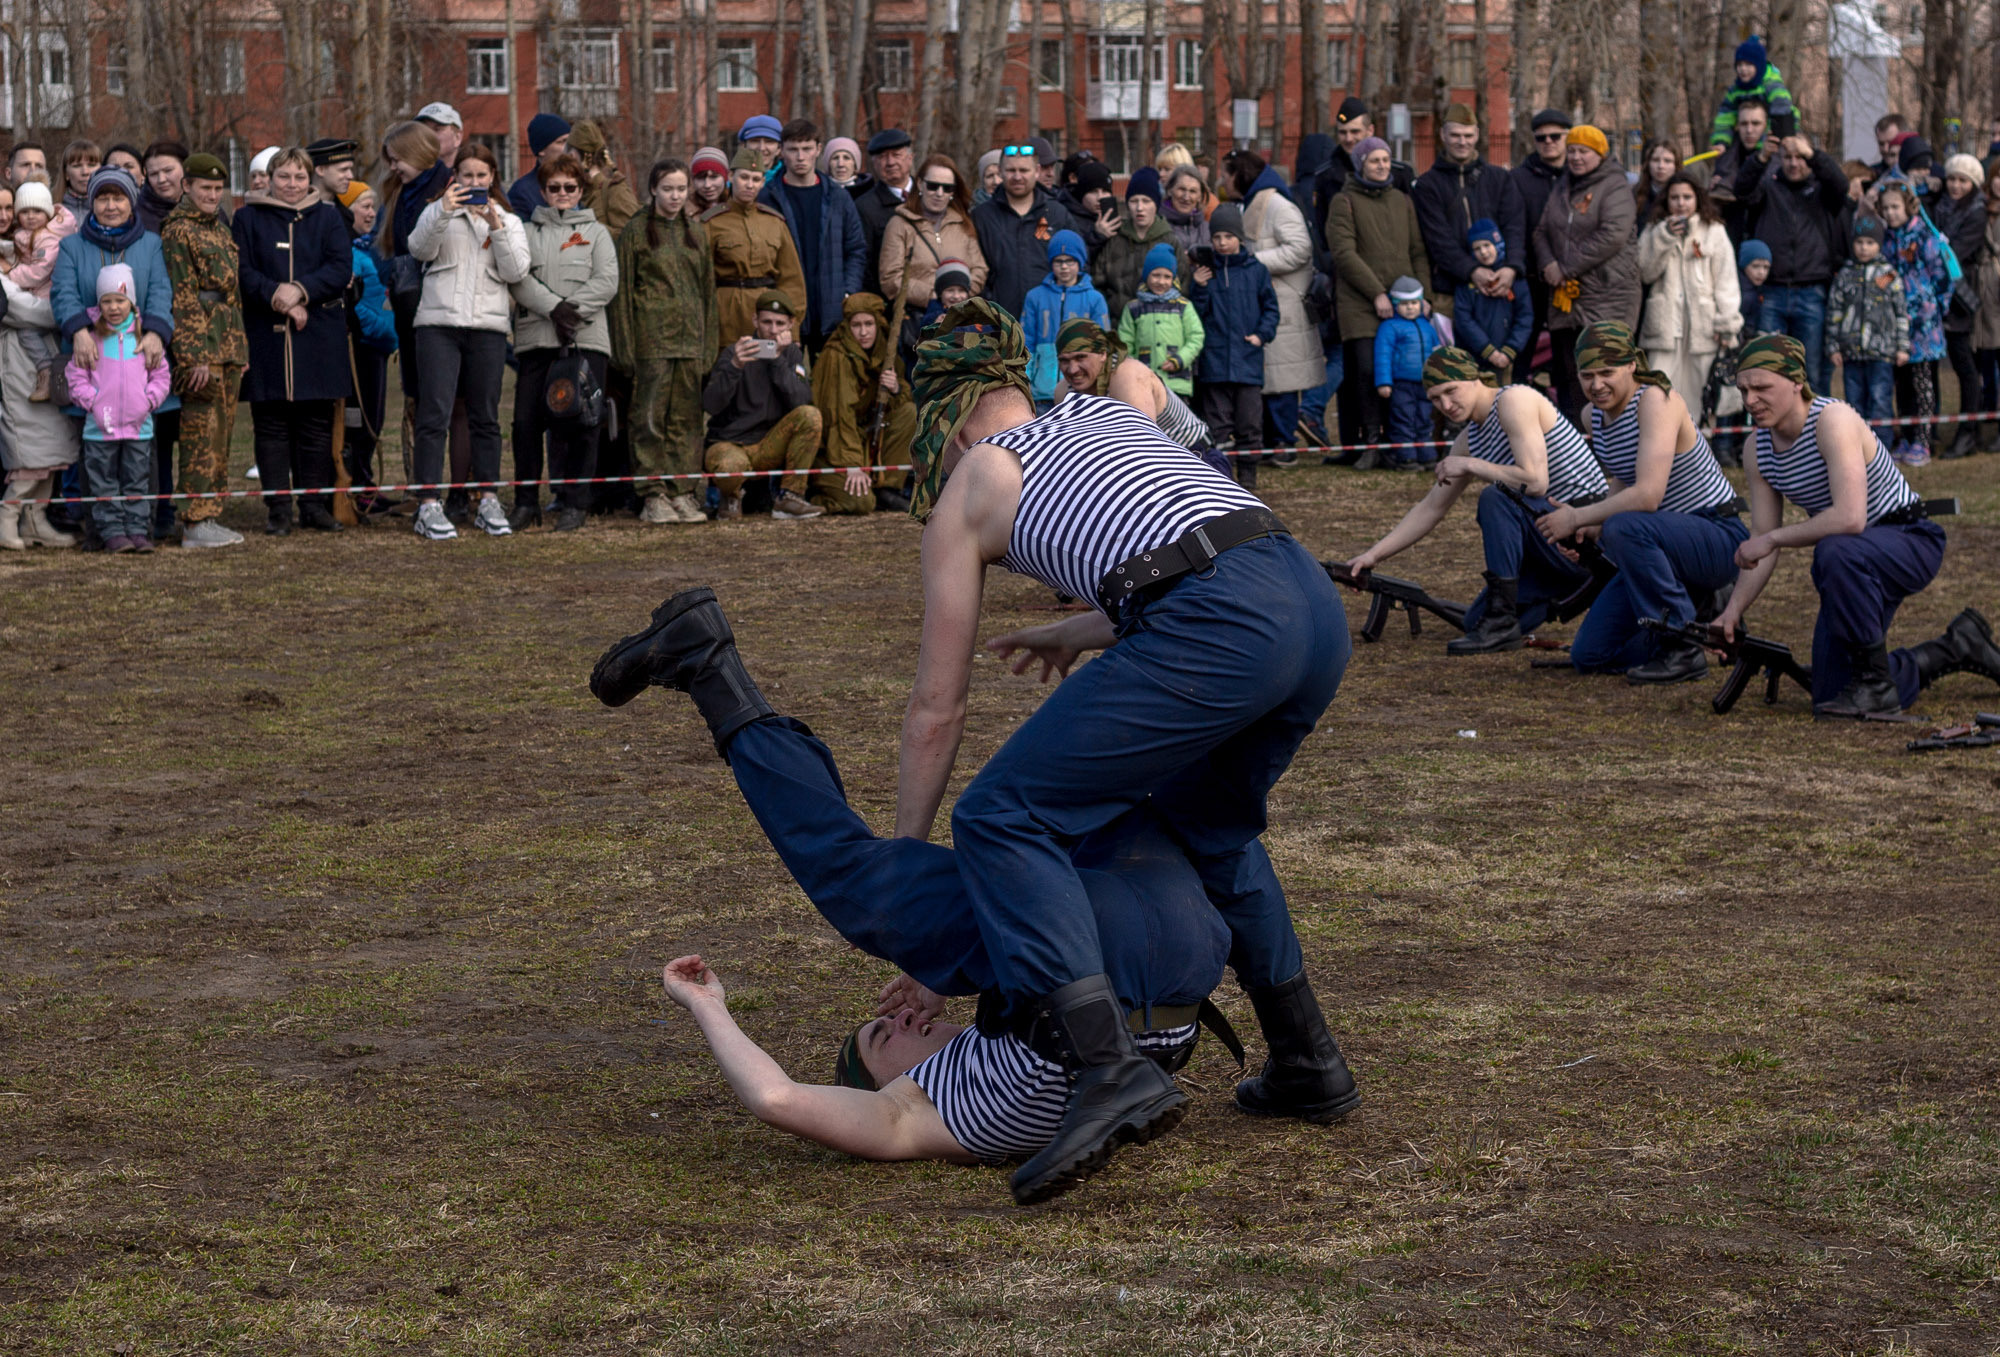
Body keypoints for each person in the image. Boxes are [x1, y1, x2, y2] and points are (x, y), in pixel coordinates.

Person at [890, 300, 1358, 1204]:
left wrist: (907, 879)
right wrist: (1087, 626)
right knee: (1206, 824)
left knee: (1000, 814)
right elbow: (1185, 533)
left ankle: (1108, 1068)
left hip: (1214, 620)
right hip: (1304, 595)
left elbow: (936, 708)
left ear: (942, 427)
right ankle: (1307, 1057)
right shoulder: (1106, 407)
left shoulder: (973, 484)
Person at [590, 592, 1238, 1173]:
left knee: (1107, 800)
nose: (894, 1017)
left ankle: (1181, 611)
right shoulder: (918, 1115)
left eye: (880, 1022)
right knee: (856, 881)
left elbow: (1029, 954)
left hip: (1165, 943)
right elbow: (775, 1096)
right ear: (884, 1083)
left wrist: (935, 971)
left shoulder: (1002, 1022)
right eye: (881, 1037)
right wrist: (708, 1005)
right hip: (1164, 946)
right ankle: (1189, 612)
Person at [1721, 332, 2000, 717]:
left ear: (1796, 381)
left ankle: (1876, 683)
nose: (1750, 400)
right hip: (1856, 556)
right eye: (1744, 389)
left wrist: (1771, 539)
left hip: (1909, 538)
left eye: (1762, 387)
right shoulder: (1757, 448)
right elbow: (1760, 545)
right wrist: (1732, 612)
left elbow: (1850, 518)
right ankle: (1953, 649)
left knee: (1834, 549)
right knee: (1830, 696)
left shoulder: (1832, 419)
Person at [1343, 348, 1611, 653]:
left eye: (1450, 391)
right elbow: (1431, 508)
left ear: (1473, 379)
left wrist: (1471, 465)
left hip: (1587, 536)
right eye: (1434, 398)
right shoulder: (1469, 439)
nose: (1445, 404)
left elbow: (1535, 481)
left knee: (1496, 498)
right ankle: (1539, 603)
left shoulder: (1514, 400)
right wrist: (1372, 556)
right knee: (1473, 622)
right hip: (1549, 540)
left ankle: (1514, 613)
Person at [1552, 322, 1748, 680]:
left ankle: (1681, 647)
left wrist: (1578, 517)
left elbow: (1647, 496)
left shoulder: (1657, 400)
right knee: (1590, 656)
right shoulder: (1591, 414)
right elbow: (1625, 476)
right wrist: (1591, 529)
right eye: (1587, 375)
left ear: (1631, 365)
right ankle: (1696, 622)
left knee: (1624, 526)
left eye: (1607, 372)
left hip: (1717, 534)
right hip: (1662, 543)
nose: (1596, 385)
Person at [407, 142, 529, 541]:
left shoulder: (508, 221)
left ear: (493, 177)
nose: (474, 182)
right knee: (434, 415)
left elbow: (516, 272)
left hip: (488, 328)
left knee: (485, 416)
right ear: (454, 177)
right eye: (467, 175)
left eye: (482, 175)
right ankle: (428, 502)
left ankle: (488, 497)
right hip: (438, 325)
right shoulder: (436, 209)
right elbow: (418, 249)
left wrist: (494, 225)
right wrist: (444, 211)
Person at [53, 165, 174, 548]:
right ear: (92, 203)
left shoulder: (150, 244)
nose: (110, 206)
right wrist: (78, 332)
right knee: (97, 459)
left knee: (140, 459)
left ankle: (142, 527)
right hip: (93, 364)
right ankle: (102, 531)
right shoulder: (73, 246)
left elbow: (159, 291)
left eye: (118, 197)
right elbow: (64, 293)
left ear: (131, 200)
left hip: (138, 362)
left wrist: (155, 331)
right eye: (102, 198)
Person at [233, 146, 352, 536]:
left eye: (299, 177)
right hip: (266, 335)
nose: (292, 184)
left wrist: (300, 291)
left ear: (310, 179)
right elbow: (243, 271)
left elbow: (338, 269)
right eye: (284, 176)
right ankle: (278, 508)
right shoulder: (247, 218)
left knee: (315, 426)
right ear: (269, 178)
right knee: (271, 427)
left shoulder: (329, 217)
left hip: (316, 333)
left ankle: (313, 504)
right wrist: (276, 295)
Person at [508, 153, 617, 532]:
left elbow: (607, 280)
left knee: (582, 424)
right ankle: (526, 502)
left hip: (586, 339)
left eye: (570, 187)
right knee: (525, 423)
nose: (562, 193)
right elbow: (518, 278)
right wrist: (554, 308)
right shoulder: (525, 231)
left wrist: (572, 312)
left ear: (581, 190)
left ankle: (575, 502)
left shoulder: (597, 233)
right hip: (537, 339)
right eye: (554, 187)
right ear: (543, 190)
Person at [610, 157, 718, 526]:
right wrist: (624, 348)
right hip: (650, 342)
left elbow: (707, 293)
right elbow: (622, 293)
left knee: (686, 420)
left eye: (681, 189)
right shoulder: (636, 231)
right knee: (650, 418)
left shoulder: (697, 232)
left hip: (690, 342)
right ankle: (652, 492)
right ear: (653, 189)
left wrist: (708, 346)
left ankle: (682, 491)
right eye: (668, 189)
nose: (675, 196)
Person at [159, 152, 248, 549]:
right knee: (200, 435)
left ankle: (211, 513)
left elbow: (232, 295)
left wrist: (239, 350)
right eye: (205, 188)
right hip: (201, 349)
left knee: (221, 435)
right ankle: (195, 520)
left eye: (217, 189)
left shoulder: (218, 229)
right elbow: (183, 297)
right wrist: (192, 355)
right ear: (187, 187)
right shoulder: (179, 232)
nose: (213, 195)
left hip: (226, 344)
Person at [1326, 137, 1428, 455]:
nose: (1382, 166)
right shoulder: (1344, 201)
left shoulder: (1402, 200)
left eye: (1386, 159)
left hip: (1403, 303)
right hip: (1361, 304)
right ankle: (1369, 442)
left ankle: (1397, 440)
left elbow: (1417, 251)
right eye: (1374, 160)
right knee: (1367, 371)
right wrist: (1376, 293)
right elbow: (1344, 253)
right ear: (1360, 165)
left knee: (1399, 370)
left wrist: (1424, 294)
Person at [65, 263, 172, 553]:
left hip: (139, 429)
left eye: (120, 300)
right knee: (103, 485)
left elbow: (161, 376)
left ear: (132, 302)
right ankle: (111, 532)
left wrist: (148, 401)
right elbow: (75, 377)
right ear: (99, 304)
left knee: (137, 482)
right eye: (107, 301)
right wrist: (94, 402)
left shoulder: (145, 337)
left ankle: (138, 531)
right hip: (100, 431)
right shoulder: (91, 338)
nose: (114, 307)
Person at [1535, 126, 1640, 417]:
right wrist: (1549, 266)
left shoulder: (1615, 186)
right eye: (1572, 151)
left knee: (1606, 374)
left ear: (1600, 154)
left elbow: (1613, 234)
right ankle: (1578, 446)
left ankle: (1613, 443)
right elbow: (1542, 230)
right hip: (1566, 301)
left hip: (1607, 297)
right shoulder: (1562, 186)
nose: (1576, 157)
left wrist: (1566, 268)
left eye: (1584, 151)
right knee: (1570, 374)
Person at [1734, 132, 1847, 397]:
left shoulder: (1822, 189)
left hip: (1812, 291)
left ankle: (1815, 432)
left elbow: (1841, 185)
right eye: (1787, 157)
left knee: (1811, 372)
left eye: (1800, 157)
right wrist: (1761, 158)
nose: (1794, 163)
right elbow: (1741, 190)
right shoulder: (1768, 186)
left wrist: (1813, 154)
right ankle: (1772, 432)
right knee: (1767, 368)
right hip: (1771, 290)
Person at [1227, 149, 1321, 450]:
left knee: (1283, 380)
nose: (1222, 180)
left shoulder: (1277, 205)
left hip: (1286, 303)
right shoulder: (1255, 203)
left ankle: (1282, 441)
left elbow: (1300, 248)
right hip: (1271, 302)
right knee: (1272, 377)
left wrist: (1253, 260)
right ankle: (1272, 440)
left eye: (1226, 173)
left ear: (1239, 175)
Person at [700, 289, 823, 520]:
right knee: (729, 465)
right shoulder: (734, 352)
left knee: (810, 415)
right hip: (731, 443)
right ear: (755, 320)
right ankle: (731, 497)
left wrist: (777, 359)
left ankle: (790, 497)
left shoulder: (792, 355)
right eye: (767, 322)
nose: (773, 330)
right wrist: (735, 366)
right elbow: (711, 405)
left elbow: (801, 401)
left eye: (780, 323)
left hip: (769, 445)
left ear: (791, 325)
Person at [758, 119, 866, 351]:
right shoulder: (767, 198)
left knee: (830, 382)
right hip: (782, 309)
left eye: (807, 149)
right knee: (783, 381)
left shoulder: (838, 197)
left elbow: (856, 248)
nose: (800, 156)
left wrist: (847, 291)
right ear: (781, 151)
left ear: (818, 149)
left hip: (831, 308)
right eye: (793, 149)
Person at [1410, 104, 1526, 317]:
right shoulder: (1428, 185)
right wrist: (1472, 271)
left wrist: (1512, 267)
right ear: (1443, 135)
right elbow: (1437, 239)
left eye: (1467, 135)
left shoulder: (1499, 179)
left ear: (1477, 135)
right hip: (1449, 292)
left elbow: (1515, 227)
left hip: (1500, 288)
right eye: (1455, 135)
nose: (1462, 142)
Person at [1190, 202, 1279, 475]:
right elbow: (1194, 316)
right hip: (1214, 363)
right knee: (1217, 426)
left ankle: (1249, 476)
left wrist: (1261, 336)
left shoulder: (1256, 271)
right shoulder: (1205, 273)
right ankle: (1221, 477)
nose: (1222, 242)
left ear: (1239, 238)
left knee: (1250, 423)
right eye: (1216, 237)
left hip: (1248, 360)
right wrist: (1200, 288)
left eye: (1228, 237)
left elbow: (1271, 308)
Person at [1636, 172, 1741, 402]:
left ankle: (1699, 439)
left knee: (1700, 397)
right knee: (1658, 395)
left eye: (1687, 197)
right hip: (1664, 326)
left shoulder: (1714, 230)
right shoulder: (1654, 229)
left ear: (1697, 199)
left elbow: (1726, 279)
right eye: (1674, 197)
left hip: (1703, 327)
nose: (1681, 203)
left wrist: (1727, 322)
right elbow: (1645, 272)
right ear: (1666, 200)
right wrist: (1664, 237)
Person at [808, 293, 913, 514]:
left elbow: (901, 401)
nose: (863, 332)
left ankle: (887, 488)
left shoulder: (885, 349)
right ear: (847, 326)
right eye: (856, 325)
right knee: (861, 503)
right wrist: (851, 465)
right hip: (834, 451)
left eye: (869, 324)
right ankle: (814, 500)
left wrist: (895, 388)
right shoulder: (836, 356)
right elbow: (839, 416)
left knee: (908, 412)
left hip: (864, 440)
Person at [0, 260, 78, 550]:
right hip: (18, 371)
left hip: (46, 361)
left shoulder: (34, 252)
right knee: (28, 452)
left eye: (10, 209)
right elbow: (17, 308)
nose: (5, 215)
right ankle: (7, 518)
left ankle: (35, 519)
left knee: (51, 451)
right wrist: (67, 311)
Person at [1877, 179, 1951, 466]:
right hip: (1896, 326)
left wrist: (1933, 306)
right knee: (1903, 385)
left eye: (1895, 207)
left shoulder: (1924, 236)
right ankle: (1906, 437)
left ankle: (1923, 440)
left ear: (1907, 206)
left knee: (1923, 385)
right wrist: (1880, 289)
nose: (1891, 213)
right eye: (1886, 208)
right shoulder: (1888, 239)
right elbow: (1887, 274)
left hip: (1924, 327)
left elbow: (1941, 277)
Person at [704, 148, 807, 352]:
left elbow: (792, 281)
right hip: (725, 318)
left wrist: (792, 332)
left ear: (762, 182)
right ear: (731, 177)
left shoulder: (775, 223)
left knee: (764, 377)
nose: (750, 185)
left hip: (768, 319)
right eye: (744, 177)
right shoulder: (711, 222)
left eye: (756, 179)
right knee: (728, 375)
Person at [337, 180, 398, 510]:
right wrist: (377, 328)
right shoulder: (347, 251)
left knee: (373, 420)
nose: (372, 212)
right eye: (364, 205)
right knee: (356, 420)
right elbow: (357, 304)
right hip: (359, 345)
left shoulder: (373, 249)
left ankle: (365, 481)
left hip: (378, 345)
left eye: (373, 205)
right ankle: (354, 485)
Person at [1826, 215, 1907, 448]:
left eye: (1870, 243)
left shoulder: (1888, 274)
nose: (1864, 248)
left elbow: (1900, 311)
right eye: (1859, 242)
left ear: (1879, 245)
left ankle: (1882, 448)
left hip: (1881, 353)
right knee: (1854, 404)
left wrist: (1902, 347)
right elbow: (1835, 312)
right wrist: (1833, 346)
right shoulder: (1844, 275)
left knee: (1880, 400)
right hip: (1851, 353)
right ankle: (1856, 449)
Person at [970, 144, 1073, 317]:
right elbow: (973, 268)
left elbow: (1079, 264)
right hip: (998, 324)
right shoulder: (981, 217)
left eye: (1024, 170)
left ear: (1037, 171)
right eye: (1011, 170)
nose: (1017, 177)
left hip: (1049, 320)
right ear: (1001, 172)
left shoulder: (1056, 214)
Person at [1511, 108, 1573, 391]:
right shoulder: (1519, 178)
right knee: (1521, 355)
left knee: (1567, 360)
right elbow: (1514, 227)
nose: (1549, 142)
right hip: (1532, 281)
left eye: (1555, 136)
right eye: (1541, 138)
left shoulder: (1579, 175)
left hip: (1571, 281)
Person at [880, 153, 987, 313]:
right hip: (917, 318)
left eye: (947, 188)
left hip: (960, 317)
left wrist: (959, 295)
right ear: (920, 184)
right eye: (933, 186)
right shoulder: (900, 224)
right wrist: (935, 294)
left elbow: (980, 269)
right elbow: (890, 279)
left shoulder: (963, 223)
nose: (939, 193)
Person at [1931, 153, 1986, 459]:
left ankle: (1968, 431)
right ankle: (1933, 430)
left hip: (1959, 296)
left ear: (1973, 183)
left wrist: (1938, 249)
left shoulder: (1975, 213)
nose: (1955, 185)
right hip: (1936, 295)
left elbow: (1957, 251)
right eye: (1952, 179)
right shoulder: (1939, 207)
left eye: (1962, 180)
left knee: (1964, 365)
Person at [1019, 228, 1106, 405]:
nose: (1064, 266)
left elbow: (1102, 344)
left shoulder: (1094, 299)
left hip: (1080, 392)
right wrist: (1024, 379)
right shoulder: (1035, 296)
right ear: (1051, 263)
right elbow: (1026, 340)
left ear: (1080, 262)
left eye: (1070, 261)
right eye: (1058, 261)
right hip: (1040, 390)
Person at [7, 180, 76, 402]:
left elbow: (40, 271)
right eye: (25, 211)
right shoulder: (26, 234)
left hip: (48, 297)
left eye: (37, 210)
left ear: (47, 212)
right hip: (38, 294)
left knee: (28, 332)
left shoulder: (47, 237)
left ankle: (46, 370)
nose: (31, 216)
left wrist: (12, 275)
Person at [1090, 168, 1181, 326]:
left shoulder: (1170, 240)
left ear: (1156, 204)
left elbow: (1182, 288)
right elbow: (1097, 283)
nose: (1139, 208)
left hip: (1160, 332)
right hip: (1116, 330)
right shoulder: (1114, 239)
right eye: (1134, 201)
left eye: (1146, 201)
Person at [1118, 242, 1203, 398]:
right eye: (1155, 275)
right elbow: (1125, 342)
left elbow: (1196, 337)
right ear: (1146, 276)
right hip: (1143, 382)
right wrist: (1134, 369)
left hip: (1176, 382)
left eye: (1167, 277)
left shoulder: (1183, 306)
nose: (1161, 281)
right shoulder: (1133, 308)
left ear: (1174, 278)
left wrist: (1180, 359)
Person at [1373, 276, 1442, 466]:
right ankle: (1406, 457)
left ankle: (1427, 456)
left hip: (1426, 384)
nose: (1410, 307)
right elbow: (1383, 355)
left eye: (1414, 303)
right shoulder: (1389, 327)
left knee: (1425, 418)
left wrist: (1441, 377)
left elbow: (1438, 353)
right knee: (1403, 419)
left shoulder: (1427, 327)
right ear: (1395, 305)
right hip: (1401, 383)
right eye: (1404, 304)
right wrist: (1384, 382)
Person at [1453, 219, 1532, 384]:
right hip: (1475, 357)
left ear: (1498, 244)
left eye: (1487, 245)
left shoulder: (1515, 280)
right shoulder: (1466, 284)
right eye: (1477, 248)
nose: (1483, 252)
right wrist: (1487, 350)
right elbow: (1463, 319)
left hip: (1506, 356)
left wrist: (1510, 350)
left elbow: (1525, 317)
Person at [853, 128, 915, 298]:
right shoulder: (864, 207)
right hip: (887, 300)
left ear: (910, 157)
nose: (890, 162)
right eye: (882, 157)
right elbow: (863, 262)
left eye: (896, 155)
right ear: (874, 163)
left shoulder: (930, 195)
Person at [1710, 35, 1796, 149]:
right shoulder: (1735, 90)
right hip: (1746, 140)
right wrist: (1721, 141)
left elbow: (1782, 115)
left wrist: (1773, 141)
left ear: (1759, 66)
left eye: (1748, 64)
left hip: (1775, 137)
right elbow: (1725, 117)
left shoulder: (1772, 86)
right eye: (1739, 65)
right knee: (1729, 156)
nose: (1743, 69)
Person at [567, 121, 639, 236]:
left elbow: (633, 238)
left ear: (573, 156)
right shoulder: (574, 192)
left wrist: (589, 225)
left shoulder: (615, 190)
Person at [1973, 162, 2000, 452]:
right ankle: (1985, 414)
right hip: (1983, 290)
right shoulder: (1981, 209)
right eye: (1997, 177)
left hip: (1997, 290)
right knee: (1983, 358)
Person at [505, 113, 573, 220]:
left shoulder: (581, 181)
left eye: (569, 141)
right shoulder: (522, 192)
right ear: (541, 150)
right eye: (561, 142)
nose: (568, 148)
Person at [136, 140, 188, 235]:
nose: (161, 180)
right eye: (153, 174)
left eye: (168, 170)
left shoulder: (205, 206)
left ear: (185, 167)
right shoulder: (137, 218)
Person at [1633, 140, 1683, 229]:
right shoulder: (1635, 195)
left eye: (1667, 161)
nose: (1661, 166)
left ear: (1676, 165)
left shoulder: (1685, 196)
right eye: (1655, 160)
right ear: (1648, 164)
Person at [1162, 166, 1212, 255]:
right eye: (1182, 189)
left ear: (1200, 197)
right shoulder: (1157, 226)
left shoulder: (1207, 229)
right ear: (1170, 190)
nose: (1186, 197)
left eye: (1192, 191)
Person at [58, 139, 99, 218]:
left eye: (91, 165)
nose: (85, 172)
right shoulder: (50, 210)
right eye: (77, 166)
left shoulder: (111, 210)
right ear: (66, 173)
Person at [689, 147, 730, 216]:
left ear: (725, 177)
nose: (707, 185)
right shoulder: (685, 212)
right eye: (700, 178)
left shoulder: (738, 207)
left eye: (713, 177)